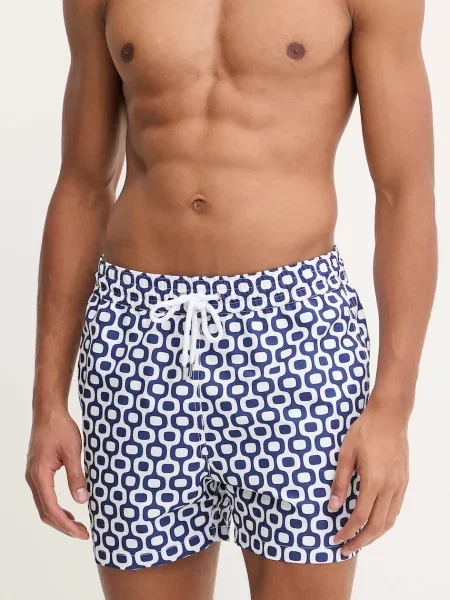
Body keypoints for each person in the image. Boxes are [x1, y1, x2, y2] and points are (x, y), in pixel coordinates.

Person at [25, 1, 436, 599]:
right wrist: (47, 404)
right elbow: (83, 186)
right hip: (137, 337)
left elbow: (405, 194)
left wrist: (393, 410)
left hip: (295, 336)